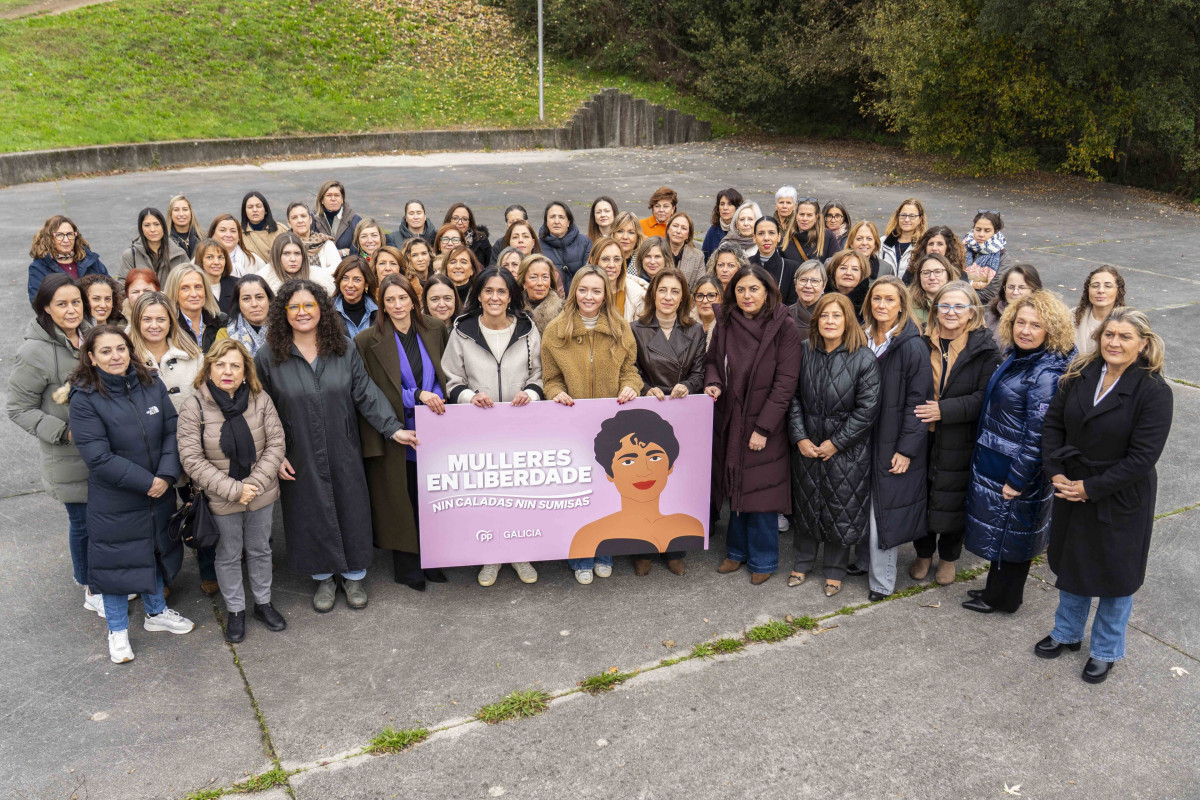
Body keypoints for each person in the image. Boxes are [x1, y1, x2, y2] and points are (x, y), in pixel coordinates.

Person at [255, 280, 414, 611]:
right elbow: (262, 410)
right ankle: (323, 578)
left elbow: (365, 392)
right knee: (309, 513)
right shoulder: (268, 357)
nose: (302, 313)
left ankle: (354, 577)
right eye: (294, 307)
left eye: (309, 306)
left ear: (321, 310)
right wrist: (276, 454)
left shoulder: (343, 347)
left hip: (344, 446)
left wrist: (392, 428)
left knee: (351, 507)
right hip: (298, 451)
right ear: (283, 313)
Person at [1039, 309, 1173, 684]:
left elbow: (1142, 458)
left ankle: (1106, 650)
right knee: (1072, 561)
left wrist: (1091, 488)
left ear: (1142, 344)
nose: (1114, 342)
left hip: (1120, 494)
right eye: (1109, 335)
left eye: (1124, 337)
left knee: (1117, 574)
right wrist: (1057, 473)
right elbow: (1052, 425)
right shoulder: (1080, 375)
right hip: (1071, 482)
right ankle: (1066, 634)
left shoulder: (1153, 391)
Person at [68, 326, 193, 664]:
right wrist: (147, 482)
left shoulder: (151, 383)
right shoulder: (83, 398)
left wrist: (166, 475)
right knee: (116, 564)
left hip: (159, 488)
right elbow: (98, 457)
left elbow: (172, 429)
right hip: (117, 498)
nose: (115, 356)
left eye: (121, 348)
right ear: (91, 358)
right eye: (105, 351)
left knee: (152, 551)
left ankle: (156, 614)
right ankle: (118, 632)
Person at [963, 291, 1075, 614]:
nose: (1025, 330)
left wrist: (1017, 479)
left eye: (1035, 325)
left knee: (1014, 536)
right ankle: (994, 590)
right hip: (1000, 461)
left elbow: (1038, 435)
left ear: (1050, 331)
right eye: (1020, 322)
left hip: (1018, 469)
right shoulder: (1022, 356)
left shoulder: (1046, 373)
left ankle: (1004, 599)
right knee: (1005, 532)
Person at [176, 339, 287, 643]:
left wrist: (253, 485)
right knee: (226, 556)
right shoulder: (194, 405)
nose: (228, 371)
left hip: (260, 493)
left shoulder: (260, 399)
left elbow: (276, 444)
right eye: (220, 364)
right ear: (208, 368)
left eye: (235, 365)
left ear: (245, 370)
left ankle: (263, 604)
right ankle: (236, 610)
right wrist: (234, 490)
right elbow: (191, 459)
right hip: (220, 498)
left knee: (261, 549)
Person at [541, 265, 643, 584]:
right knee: (578, 494)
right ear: (574, 292)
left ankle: (604, 551)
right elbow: (550, 379)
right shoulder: (556, 330)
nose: (589, 296)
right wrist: (556, 393)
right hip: (572, 428)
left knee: (608, 492)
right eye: (583, 290)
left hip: (612, 430)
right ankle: (580, 555)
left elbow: (630, 370)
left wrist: (631, 387)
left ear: (605, 295)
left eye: (596, 291)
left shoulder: (620, 329)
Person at [443, 268, 545, 587]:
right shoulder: (463, 330)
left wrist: (529, 394)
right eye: (488, 291)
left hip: (520, 426)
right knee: (488, 494)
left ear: (512, 295)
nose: (495, 298)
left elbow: (539, 374)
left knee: (517, 493)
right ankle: (491, 555)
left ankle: (519, 553)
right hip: (479, 427)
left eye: (501, 292)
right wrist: (470, 397)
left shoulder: (527, 329)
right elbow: (452, 379)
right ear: (479, 294)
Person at [706, 265, 802, 586]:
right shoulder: (725, 323)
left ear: (768, 291)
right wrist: (715, 383)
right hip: (732, 419)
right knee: (735, 487)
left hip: (765, 423)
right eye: (741, 290)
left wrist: (764, 428)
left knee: (762, 494)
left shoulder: (783, 326)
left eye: (754, 289)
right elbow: (712, 363)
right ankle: (736, 553)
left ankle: (764, 559)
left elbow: (786, 382)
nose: (747, 296)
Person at [355, 274, 450, 592]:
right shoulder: (368, 340)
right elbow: (372, 390)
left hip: (436, 425)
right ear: (381, 304)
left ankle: (434, 560)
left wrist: (435, 394)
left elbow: (446, 370)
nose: (397, 305)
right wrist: (417, 395)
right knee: (401, 497)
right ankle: (409, 567)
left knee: (433, 496)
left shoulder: (435, 328)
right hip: (396, 429)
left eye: (402, 298)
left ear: (414, 299)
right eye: (389, 300)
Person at [7, 275, 95, 613]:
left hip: (102, 450)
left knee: (101, 519)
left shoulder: (90, 334)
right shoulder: (33, 351)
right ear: (46, 307)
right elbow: (18, 408)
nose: (71, 310)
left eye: (76, 302)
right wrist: (64, 432)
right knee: (83, 522)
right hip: (69, 456)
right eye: (62, 304)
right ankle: (89, 584)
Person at [788, 292, 880, 596]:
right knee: (807, 503)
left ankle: (834, 571)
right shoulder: (804, 351)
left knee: (840, 507)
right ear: (817, 320)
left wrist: (835, 443)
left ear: (847, 321)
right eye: (824, 315)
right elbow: (793, 398)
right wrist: (800, 436)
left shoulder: (863, 357)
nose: (829, 321)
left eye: (836, 316)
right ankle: (802, 563)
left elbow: (867, 410)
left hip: (846, 450)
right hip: (807, 445)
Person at [849, 276, 932, 600]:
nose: (881, 305)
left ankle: (881, 582)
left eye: (889, 299)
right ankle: (861, 562)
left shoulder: (911, 345)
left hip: (892, 441)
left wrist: (906, 450)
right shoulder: (861, 337)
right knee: (860, 503)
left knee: (885, 512)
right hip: (860, 438)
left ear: (901, 305)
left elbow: (918, 402)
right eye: (876, 299)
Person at [913, 282, 1001, 585]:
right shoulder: (920, 341)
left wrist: (944, 410)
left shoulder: (985, 349)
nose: (951, 312)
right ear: (935, 310)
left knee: (954, 498)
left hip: (960, 437)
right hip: (922, 434)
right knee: (921, 496)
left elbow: (985, 397)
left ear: (971, 312)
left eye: (958, 306)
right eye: (944, 306)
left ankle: (948, 558)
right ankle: (923, 554)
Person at [630, 267, 706, 576]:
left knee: (677, 484)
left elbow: (701, 370)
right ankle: (643, 547)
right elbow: (631, 369)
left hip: (682, 413)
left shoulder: (695, 330)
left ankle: (675, 549)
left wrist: (688, 385)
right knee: (645, 482)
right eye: (663, 290)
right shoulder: (635, 329)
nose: (668, 297)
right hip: (648, 413)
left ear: (683, 297)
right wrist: (647, 391)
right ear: (652, 294)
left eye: (675, 291)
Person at [568, 409, 705, 563]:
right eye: (628, 461)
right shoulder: (589, 534)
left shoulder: (691, 525)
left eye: (654, 458)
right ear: (610, 473)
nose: (644, 471)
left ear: (670, 466)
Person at [28, 215, 109, 304]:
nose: (66, 240)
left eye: (70, 234)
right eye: (59, 235)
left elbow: (110, 286)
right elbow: (38, 303)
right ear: (49, 238)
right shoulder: (39, 267)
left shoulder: (89, 260)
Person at [165, 263, 229, 353]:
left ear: (205, 291)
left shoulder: (222, 321)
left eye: (198, 287)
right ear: (174, 293)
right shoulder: (168, 326)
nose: (194, 294)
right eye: (185, 288)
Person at [117, 207, 190, 282]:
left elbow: (189, 280)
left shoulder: (179, 254)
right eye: (147, 225)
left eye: (156, 224)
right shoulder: (130, 255)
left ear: (163, 227)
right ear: (141, 229)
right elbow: (123, 286)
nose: (152, 229)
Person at [590, 237, 647, 322]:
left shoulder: (638, 295)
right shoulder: (580, 292)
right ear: (592, 260)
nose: (612, 265)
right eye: (605, 259)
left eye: (617, 259)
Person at [1073, 265, 1125, 356]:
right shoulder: (1069, 318)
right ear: (1087, 290)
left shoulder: (1129, 321)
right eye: (1095, 286)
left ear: (1118, 291)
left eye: (1108, 286)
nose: (1101, 290)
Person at [747, 216, 799, 305]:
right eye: (761, 233)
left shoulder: (792, 268)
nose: (766, 238)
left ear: (779, 237)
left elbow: (792, 305)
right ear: (754, 238)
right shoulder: (745, 264)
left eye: (771, 233)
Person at [263, 229, 334, 294]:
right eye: (286, 253)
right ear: (277, 256)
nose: (293, 259)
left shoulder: (320, 279)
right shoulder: (264, 280)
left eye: (297, 253)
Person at [985, 264, 1041, 346]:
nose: (1015, 292)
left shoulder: (1043, 318)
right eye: (1011, 287)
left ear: (1034, 290)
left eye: (1022, 287)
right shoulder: (991, 315)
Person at [538, 201, 591, 287]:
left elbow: (588, 274)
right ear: (546, 222)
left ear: (568, 222)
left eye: (561, 217)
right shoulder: (538, 245)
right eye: (552, 217)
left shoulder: (584, 243)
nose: (556, 221)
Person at [225, 275, 274, 357]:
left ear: (269, 299)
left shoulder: (286, 330)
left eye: (259, 297)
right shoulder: (225, 334)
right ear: (238, 303)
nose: (254, 304)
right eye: (246, 299)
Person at [286, 202, 341, 274]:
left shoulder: (324, 242)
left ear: (310, 220)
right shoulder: (283, 244)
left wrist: (311, 273)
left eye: (303, 216)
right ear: (289, 223)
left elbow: (337, 269)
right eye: (294, 218)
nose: (300, 221)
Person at [208, 213, 268, 278]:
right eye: (222, 230)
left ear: (239, 236)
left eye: (233, 231)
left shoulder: (254, 261)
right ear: (213, 234)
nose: (228, 235)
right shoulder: (200, 257)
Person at [908, 253, 960, 327]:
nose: (932, 277)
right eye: (926, 273)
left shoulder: (962, 299)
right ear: (919, 277)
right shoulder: (906, 300)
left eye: (938, 272)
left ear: (948, 274)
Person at [332, 255, 379, 338]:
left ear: (366, 283)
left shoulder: (379, 311)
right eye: (345, 278)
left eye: (357, 279)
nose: (350, 285)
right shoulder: (326, 310)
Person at [962, 210, 1008, 292]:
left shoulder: (1002, 256)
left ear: (995, 232)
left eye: (987, 231)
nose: (981, 234)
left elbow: (992, 291)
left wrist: (966, 299)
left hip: (984, 303)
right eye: (978, 229)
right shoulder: (961, 248)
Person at [313, 180, 362, 257]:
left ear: (342, 199)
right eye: (329, 195)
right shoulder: (312, 219)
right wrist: (342, 252)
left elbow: (359, 248)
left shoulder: (355, 220)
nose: (333, 199)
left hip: (347, 266)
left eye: (337, 195)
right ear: (322, 200)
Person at [783, 197, 838, 265]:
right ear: (796, 216)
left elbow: (836, 265)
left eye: (809, 215)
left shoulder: (827, 237)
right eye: (802, 214)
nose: (805, 219)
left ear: (816, 217)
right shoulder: (786, 240)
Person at [881, 198, 927, 278]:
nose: (906, 220)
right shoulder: (884, 242)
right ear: (898, 216)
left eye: (912, 216)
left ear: (920, 219)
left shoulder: (923, 245)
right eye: (903, 215)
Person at [193, 237, 239, 314]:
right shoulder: (194, 287)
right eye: (210, 257)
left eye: (220, 257)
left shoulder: (238, 284)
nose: (216, 262)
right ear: (200, 260)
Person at [519, 254, 563, 333]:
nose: (540, 283)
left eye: (545, 277)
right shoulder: (514, 310)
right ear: (523, 282)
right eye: (533, 277)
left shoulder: (563, 311)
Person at [241, 191, 288, 263]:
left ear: (265, 209)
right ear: (245, 211)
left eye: (258, 206)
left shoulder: (281, 230)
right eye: (250, 207)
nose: (254, 210)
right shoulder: (239, 233)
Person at [664, 212, 706, 288]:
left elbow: (700, 287)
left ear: (688, 235)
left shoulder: (697, 256)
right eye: (675, 226)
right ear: (668, 230)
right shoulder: (657, 251)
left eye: (683, 228)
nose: (678, 231)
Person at [444, 203, 492, 268]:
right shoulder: (441, 239)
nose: (460, 222)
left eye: (464, 219)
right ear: (449, 219)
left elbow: (490, 266)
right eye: (455, 218)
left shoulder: (481, 240)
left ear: (470, 221)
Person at [702, 188, 744, 261]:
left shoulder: (744, 229)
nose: (725, 208)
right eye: (722, 204)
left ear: (737, 208)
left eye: (730, 204)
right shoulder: (713, 231)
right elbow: (705, 258)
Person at [789, 260, 826, 341]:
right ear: (795, 283)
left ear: (824, 285)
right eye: (803, 280)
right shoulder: (785, 315)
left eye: (815, 281)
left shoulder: (833, 315)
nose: (808, 286)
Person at [826, 249, 870, 317]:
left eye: (855, 269)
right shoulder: (820, 297)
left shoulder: (870, 301)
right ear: (833, 271)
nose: (848, 273)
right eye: (843, 268)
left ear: (862, 274)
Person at [691, 274, 722, 348]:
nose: (705, 301)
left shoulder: (728, 327)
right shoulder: (685, 325)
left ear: (721, 298)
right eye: (700, 295)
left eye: (711, 296)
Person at [610, 211, 644, 276]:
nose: (625, 237)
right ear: (613, 234)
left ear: (637, 237)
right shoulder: (601, 256)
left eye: (631, 232)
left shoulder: (644, 261)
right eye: (620, 231)